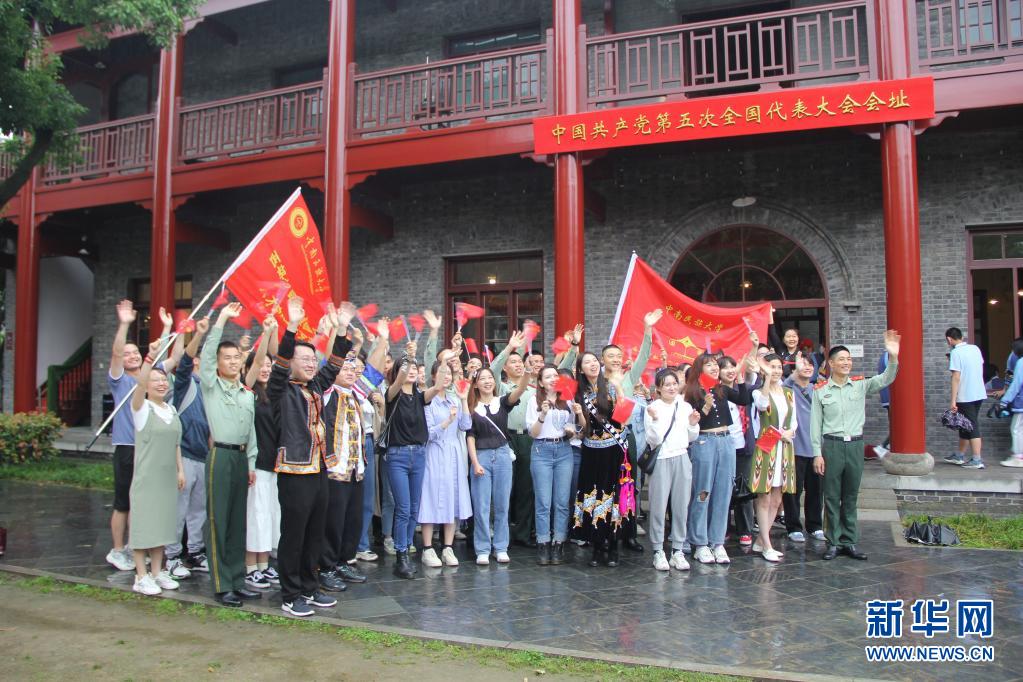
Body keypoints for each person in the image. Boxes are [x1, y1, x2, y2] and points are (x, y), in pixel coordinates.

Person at [270, 298, 353, 616]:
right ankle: (290, 593)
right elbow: (279, 364)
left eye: (311, 358)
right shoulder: (281, 389)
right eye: (302, 358)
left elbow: (333, 364)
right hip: (294, 471)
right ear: (290, 362)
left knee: (315, 532)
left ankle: (309, 585)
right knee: (294, 534)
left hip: (318, 469)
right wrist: (291, 326)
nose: (309, 363)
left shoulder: (315, 385)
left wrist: (342, 329)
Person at [812, 331, 900, 561]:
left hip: (854, 446)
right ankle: (833, 541)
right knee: (831, 496)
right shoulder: (821, 390)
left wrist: (893, 356)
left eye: (849, 359)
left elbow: (886, 379)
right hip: (832, 446)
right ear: (831, 364)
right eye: (841, 359)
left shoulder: (860, 385)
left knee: (850, 496)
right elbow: (815, 425)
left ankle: (849, 541)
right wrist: (817, 454)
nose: (846, 363)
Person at [491, 326, 580, 548]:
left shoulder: (534, 390)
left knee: (527, 489)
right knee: (504, 489)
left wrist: (573, 347)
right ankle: (502, 535)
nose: (517, 365)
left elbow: (561, 372)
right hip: (506, 438)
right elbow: (493, 369)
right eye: (513, 362)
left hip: (530, 440)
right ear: (506, 368)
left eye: (519, 362)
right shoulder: (500, 386)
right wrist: (509, 348)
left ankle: (524, 533)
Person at [199, 302, 260, 607]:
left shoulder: (245, 393)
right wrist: (222, 319)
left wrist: (251, 463)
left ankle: (238, 578)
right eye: (227, 358)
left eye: (237, 357)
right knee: (218, 520)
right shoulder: (211, 386)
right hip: (220, 456)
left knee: (238, 522)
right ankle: (222, 583)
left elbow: (251, 432)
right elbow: (207, 355)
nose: (233, 362)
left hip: (240, 458)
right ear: (218, 362)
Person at [106, 300, 172, 572]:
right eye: (128, 353)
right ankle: (117, 550)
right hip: (127, 447)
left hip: (149, 449)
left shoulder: (149, 376)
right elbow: (115, 352)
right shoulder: (119, 379)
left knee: (141, 503)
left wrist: (166, 328)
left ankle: (137, 548)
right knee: (123, 502)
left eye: (136, 352)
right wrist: (124, 324)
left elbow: (167, 356)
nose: (132, 356)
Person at [682, 334, 757, 565]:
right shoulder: (693, 391)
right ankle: (699, 542)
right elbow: (693, 422)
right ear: (699, 369)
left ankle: (717, 542)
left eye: (716, 364)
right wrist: (704, 407)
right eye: (709, 365)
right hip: (705, 442)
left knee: (724, 492)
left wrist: (741, 379)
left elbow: (744, 399)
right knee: (703, 491)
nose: (715, 367)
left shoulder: (722, 389)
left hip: (726, 441)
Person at [384, 338, 445, 579]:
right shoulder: (392, 395)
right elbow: (399, 380)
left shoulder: (420, 397)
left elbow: (438, 385)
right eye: (406, 368)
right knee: (403, 507)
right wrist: (409, 356)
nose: (410, 371)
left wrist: (445, 360)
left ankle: (407, 549)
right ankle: (401, 556)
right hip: (398, 456)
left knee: (414, 508)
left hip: (419, 455)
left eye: (414, 368)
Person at [128, 341, 185, 596]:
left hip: (167, 477)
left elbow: (176, 444)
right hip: (147, 477)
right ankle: (141, 576)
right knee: (144, 525)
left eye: (164, 379)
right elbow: (140, 386)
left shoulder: (170, 409)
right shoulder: (141, 408)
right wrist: (149, 360)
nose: (161, 383)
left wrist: (180, 470)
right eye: (155, 380)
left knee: (162, 525)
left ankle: (157, 572)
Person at [601, 312, 660, 553]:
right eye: (611, 356)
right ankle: (605, 533)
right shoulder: (597, 381)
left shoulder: (628, 378)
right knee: (607, 486)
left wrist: (647, 329)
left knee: (630, 485)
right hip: (604, 439)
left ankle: (629, 532)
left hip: (626, 437)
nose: (616, 359)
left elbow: (644, 356)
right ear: (602, 360)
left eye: (618, 356)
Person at [319, 347, 371, 589]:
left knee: (352, 519)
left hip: (355, 468)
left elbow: (374, 374)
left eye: (353, 369)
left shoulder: (355, 394)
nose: (351, 372)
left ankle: (343, 561)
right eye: (345, 368)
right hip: (335, 468)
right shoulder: (328, 393)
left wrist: (382, 340)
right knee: (333, 521)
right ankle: (326, 567)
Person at [573, 352, 632, 568]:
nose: (593, 365)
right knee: (594, 494)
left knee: (614, 494)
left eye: (594, 361)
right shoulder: (579, 393)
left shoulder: (610, 385)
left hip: (614, 448)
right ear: (580, 369)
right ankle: (597, 545)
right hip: (592, 451)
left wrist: (620, 389)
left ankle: (614, 544)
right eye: (587, 362)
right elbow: (583, 428)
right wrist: (579, 414)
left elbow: (624, 418)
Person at [466, 366, 529, 564]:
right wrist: (475, 462)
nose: (487, 381)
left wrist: (527, 372)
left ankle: (501, 547)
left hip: (502, 455)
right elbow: (470, 436)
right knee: (481, 506)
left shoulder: (501, 402)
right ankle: (483, 548)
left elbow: (520, 389)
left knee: (502, 505)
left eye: (490, 378)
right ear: (475, 384)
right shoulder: (470, 407)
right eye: (482, 379)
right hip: (481, 456)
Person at [165, 319, 212, 580]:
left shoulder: (210, 388)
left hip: (203, 456)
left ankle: (194, 551)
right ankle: (171, 555)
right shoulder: (185, 383)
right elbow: (183, 363)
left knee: (198, 510)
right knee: (178, 510)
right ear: (196, 361)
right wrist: (198, 335)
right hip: (183, 455)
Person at [527, 364, 585, 565]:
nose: (553, 379)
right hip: (541, 450)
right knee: (543, 501)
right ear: (541, 382)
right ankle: (543, 543)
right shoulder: (534, 400)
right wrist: (542, 415)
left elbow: (577, 429)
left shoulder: (567, 400)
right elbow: (533, 433)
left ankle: (559, 542)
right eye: (548, 377)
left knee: (562, 501)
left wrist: (577, 418)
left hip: (564, 450)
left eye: (555, 376)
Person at [644, 368, 700, 571]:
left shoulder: (684, 406)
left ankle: (677, 549)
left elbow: (691, 436)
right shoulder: (652, 408)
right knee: (658, 506)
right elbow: (653, 440)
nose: (671, 387)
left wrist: (693, 424)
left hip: (682, 457)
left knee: (681, 505)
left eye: (674, 383)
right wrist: (655, 420)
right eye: (667, 384)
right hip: (662, 459)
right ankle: (658, 550)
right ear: (658, 388)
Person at [418, 362, 472, 568]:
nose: (447, 376)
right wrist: (447, 421)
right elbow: (428, 433)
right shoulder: (427, 401)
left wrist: (464, 400)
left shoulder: (454, 399)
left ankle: (447, 547)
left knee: (451, 497)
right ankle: (427, 548)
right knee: (430, 497)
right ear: (434, 376)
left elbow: (466, 425)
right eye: (442, 373)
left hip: (453, 453)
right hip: (434, 452)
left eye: (449, 373)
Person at [241, 318, 280, 589]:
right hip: (256, 465)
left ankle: (265, 566)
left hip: (274, 464)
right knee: (255, 516)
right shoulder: (247, 392)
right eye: (261, 365)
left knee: (269, 516)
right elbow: (255, 364)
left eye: (269, 365)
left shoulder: (273, 395)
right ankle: (250, 567)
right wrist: (266, 334)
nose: (265, 368)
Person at [749, 354, 797, 563]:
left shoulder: (789, 393)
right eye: (771, 367)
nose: (776, 371)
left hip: (784, 447)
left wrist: (790, 432)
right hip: (767, 446)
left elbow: (794, 421)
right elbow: (762, 405)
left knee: (777, 498)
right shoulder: (759, 391)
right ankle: (767, 545)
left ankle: (761, 540)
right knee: (764, 497)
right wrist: (767, 378)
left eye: (778, 367)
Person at [782, 354, 823, 542]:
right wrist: (794, 372)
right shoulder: (789, 389)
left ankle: (815, 525)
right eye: (803, 364)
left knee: (816, 490)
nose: (807, 367)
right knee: (793, 490)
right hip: (795, 448)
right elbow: (784, 386)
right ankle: (793, 527)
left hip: (816, 449)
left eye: (810, 364)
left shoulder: (818, 389)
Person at [718, 355, 756, 547]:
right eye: (725, 367)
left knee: (743, 490)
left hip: (743, 446)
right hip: (723, 446)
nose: (730, 370)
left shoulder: (744, 389)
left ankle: (745, 530)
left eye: (733, 366)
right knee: (722, 488)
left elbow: (752, 394)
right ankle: (722, 528)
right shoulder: (716, 392)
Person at [944, 327, 986, 469]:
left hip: (966, 395)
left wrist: (953, 400)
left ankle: (977, 459)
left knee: (972, 426)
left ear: (949, 339)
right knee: (965, 425)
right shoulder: (975, 349)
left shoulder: (955, 353)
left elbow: (956, 377)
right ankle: (959, 455)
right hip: (979, 393)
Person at [997, 359, 1023, 468]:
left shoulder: (1021, 362)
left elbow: (1016, 383)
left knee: (1016, 429)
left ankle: (1018, 458)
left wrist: (1005, 400)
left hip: (1021, 403)